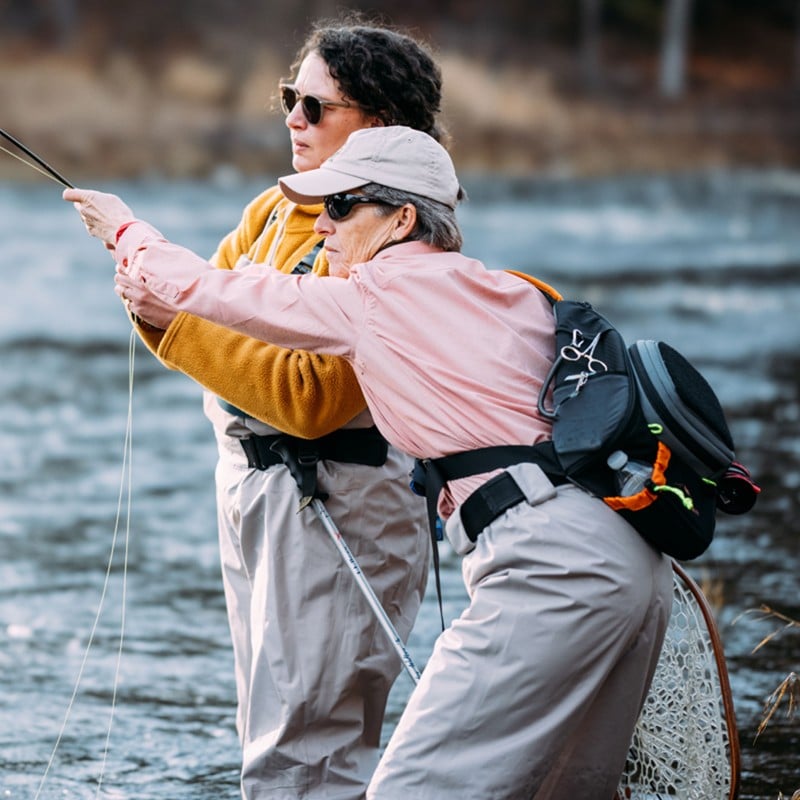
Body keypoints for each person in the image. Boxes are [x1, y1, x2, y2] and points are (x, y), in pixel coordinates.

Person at [67, 125, 674, 800]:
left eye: (342, 206)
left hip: (550, 568)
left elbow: (208, 291)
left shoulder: (373, 299)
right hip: (637, 560)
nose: (321, 224)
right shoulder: (512, 288)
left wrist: (125, 231)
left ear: (403, 219)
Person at [68, 21, 442, 800]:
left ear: (379, 124)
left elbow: (309, 398)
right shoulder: (274, 209)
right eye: (288, 98)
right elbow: (217, 311)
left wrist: (171, 320)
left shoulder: (389, 234)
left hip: (338, 501)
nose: (293, 119)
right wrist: (158, 304)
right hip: (257, 492)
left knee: (306, 752)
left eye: (316, 106)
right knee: (272, 738)